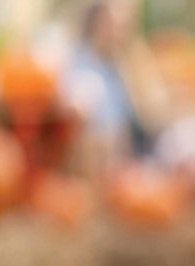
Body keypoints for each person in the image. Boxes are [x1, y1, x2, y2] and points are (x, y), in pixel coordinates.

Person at [63, 0, 148, 159]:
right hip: (94, 157)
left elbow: (145, 116)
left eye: (124, 27)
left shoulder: (118, 66)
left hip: (121, 159)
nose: (120, 33)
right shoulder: (79, 64)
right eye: (115, 26)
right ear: (97, 23)